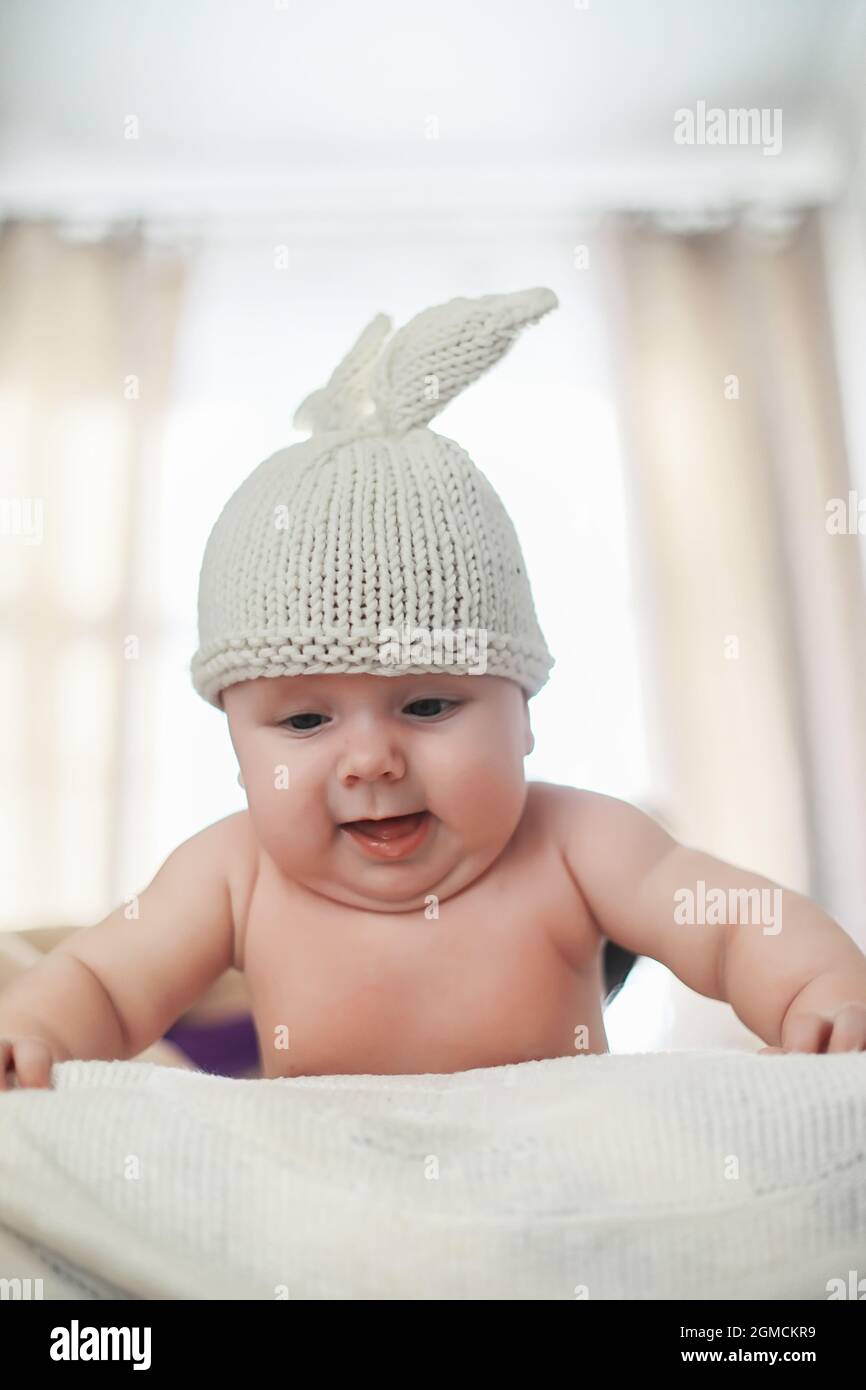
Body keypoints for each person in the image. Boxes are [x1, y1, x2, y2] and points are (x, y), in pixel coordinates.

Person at [3, 286, 866, 1090]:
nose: (372, 760)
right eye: (304, 719)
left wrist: (817, 989)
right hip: (333, 1206)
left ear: (523, 712)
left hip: (551, 1190)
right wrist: (33, 1032)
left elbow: (731, 921)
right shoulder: (234, 873)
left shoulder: (577, 842)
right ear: (236, 750)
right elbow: (103, 985)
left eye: (428, 705)